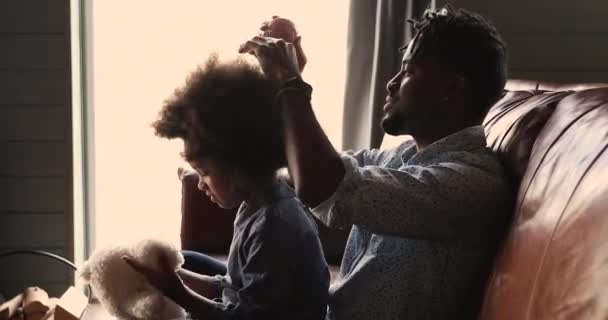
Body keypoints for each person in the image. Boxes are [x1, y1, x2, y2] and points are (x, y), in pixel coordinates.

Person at [239, 5, 514, 320]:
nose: (392, 83)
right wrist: (281, 83)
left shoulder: (471, 184)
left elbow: (324, 186)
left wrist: (291, 85)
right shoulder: (402, 157)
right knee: (188, 262)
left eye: (409, 70)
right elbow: (300, 167)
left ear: (451, 88)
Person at [125, 54, 330, 320]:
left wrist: (180, 294)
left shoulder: (274, 229)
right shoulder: (257, 204)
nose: (199, 184)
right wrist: (174, 278)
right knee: (184, 260)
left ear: (239, 163)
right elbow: (235, 288)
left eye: (205, 173)